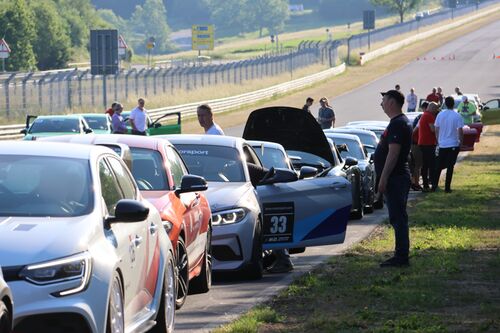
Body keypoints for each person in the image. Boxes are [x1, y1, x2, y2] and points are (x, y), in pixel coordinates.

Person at [374, 90, 412, 267]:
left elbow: (393, 154)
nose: (381, 104)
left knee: (398, 218)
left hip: (395, 178)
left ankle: (401, 256)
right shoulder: (397, 122)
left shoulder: (398, 124)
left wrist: (383, 178)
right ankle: (400, 254)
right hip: (396, 177)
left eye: (383, 100)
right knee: (397, 217)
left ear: (392, 102)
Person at [247, 163, 294, 273]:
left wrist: (266, 185)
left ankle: (284, 261)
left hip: (264, 199)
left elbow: (273, 175)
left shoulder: (244, 167)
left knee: (273, 227)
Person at [432, 96, 464, 193]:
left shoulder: (440, 115)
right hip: (453, 144)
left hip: (442, 144)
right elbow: (460, 130)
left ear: (445, 104)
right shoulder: (456, 115)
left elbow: (436, 128)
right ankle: (447, 187)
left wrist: (438, 139)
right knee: (450, 166)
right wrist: (461, 142)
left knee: (439, 165)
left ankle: (434, 185)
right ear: (453, 104)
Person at [418, 102, 438, 191]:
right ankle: (431, 184)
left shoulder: (425, 115)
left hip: (424, 143)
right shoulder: (429, 116)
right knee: (431, 165)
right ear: (432, 108)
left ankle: (426, 184)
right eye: (436, 109)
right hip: (427, 143)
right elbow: (432, 129)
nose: (436, 111)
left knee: (425, 165)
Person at [410, 102, 426, 191]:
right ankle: (415, 183)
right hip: (416, 144)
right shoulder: (422, 118)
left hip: (417, 144)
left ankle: (416, 182)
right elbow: (414, 131)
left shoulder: (420, 117)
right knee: (417, 165)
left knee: (418, 165)